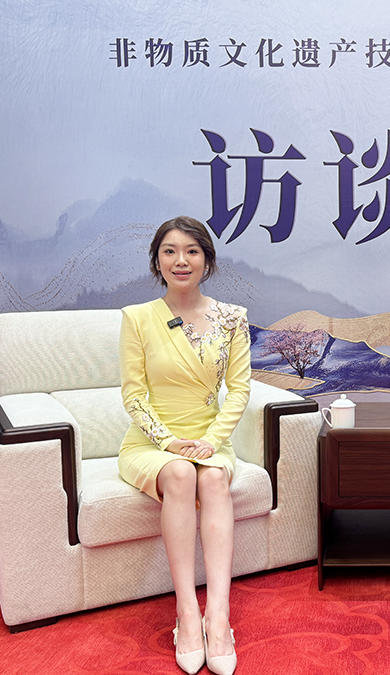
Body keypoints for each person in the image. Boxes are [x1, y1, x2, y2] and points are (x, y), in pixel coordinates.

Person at [118, 216, 249, 675]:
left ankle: (219, 616)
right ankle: (187, 614)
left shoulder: (233, 318)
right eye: (170, 251)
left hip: (209, 439)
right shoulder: (137, 318)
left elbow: (239, 390)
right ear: (157, 261)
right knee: (178, 473)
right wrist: (169, 442)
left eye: (192, 251)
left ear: (206, 260)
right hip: (153, 442)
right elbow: (133, 395)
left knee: (211, 479)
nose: (181, 260)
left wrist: (212, 442)